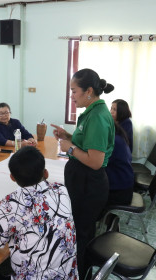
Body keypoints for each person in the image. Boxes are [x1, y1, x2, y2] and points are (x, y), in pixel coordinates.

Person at [0, 146, 78, 280]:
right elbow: (39, 207)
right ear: (46, 173)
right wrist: (7, 208)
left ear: (12, 178)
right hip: (67, 275)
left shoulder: (12, 203)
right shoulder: (61, 189)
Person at [51, 68, 115, 278]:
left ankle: (79, 273)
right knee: (80, 229)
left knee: (81, 233)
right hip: (83, 180)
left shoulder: (97, 116)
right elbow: (87, 144)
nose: (71, 96)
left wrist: (69, 147)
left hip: (89, 183)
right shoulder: (92, 112)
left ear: (88, 91)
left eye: (74, 91)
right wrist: (68, 135)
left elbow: (95, 161)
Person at [106, 122, 134, 205]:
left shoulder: (114, 142)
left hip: (119, 193)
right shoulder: (118, 137)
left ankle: (105, 217)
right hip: (123, 187)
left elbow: (97, 163)